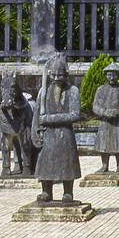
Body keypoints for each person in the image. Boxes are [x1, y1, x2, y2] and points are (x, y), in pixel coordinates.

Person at [32, 53, 81, 203]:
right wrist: (35, 132)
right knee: (46, 164)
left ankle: (68, 192)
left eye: (60, 74)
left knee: (67, 163)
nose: (57, 78)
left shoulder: (73, 91)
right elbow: (36, 116)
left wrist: (49, 119)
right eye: (54, 75)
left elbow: (74, 115)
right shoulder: (43, 92)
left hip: (65, 135)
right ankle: (46, 191)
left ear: (65, 74)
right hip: (48, 136)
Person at [92, 62, 119, 173]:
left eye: (114, 75)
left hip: (118, 121)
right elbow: (95, 106)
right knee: (103, 144)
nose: (112, 77)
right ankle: (104, 165)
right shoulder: (100, 90)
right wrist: (103, 112)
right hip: (105, 121)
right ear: (106, 76)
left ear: (118, 75)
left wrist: (118, 112)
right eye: (109, 75)